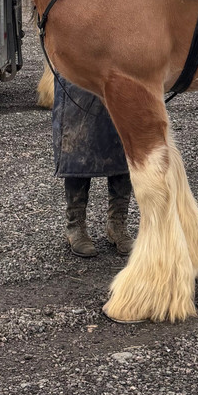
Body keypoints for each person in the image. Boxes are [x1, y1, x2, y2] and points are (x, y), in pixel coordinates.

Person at [52, 73, 135, 257]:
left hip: (119, 67)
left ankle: (117, 224)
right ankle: (75, 225)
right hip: (79, 67)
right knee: (77, 144)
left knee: (123, 143)